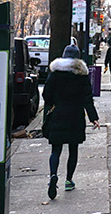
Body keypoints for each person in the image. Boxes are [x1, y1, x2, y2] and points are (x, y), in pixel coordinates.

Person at [43, 44, 100, 199]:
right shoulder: (81, 75)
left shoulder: (55, 73)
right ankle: (69, 180)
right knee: (73, 150)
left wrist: (53, 104)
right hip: (75, 115)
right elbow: (87, 98)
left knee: (56, 150)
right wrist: (93, 117)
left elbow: (46, 94)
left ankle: (53, 175)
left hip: (58, 113)